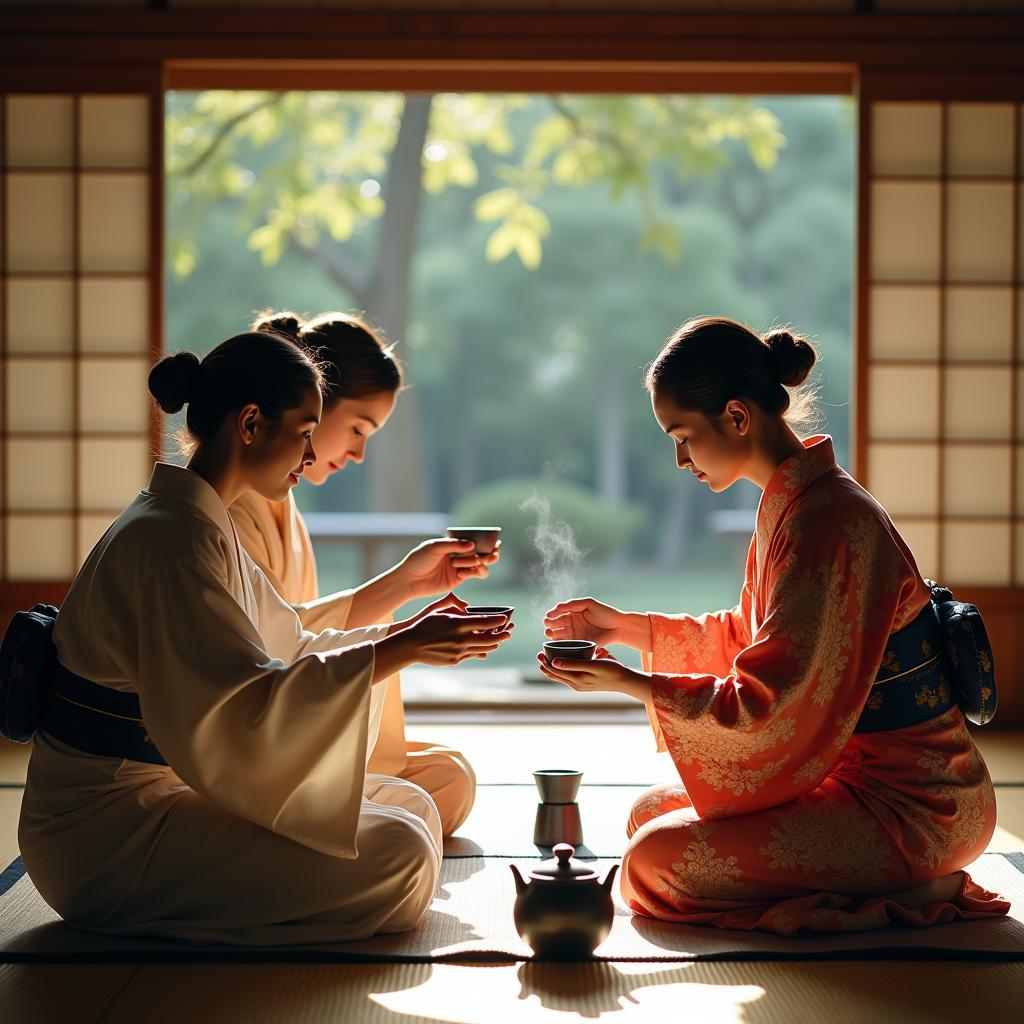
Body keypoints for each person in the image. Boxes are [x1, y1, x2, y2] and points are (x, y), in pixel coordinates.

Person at [17, 330, 510, 945]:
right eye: (305, 433)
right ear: (250, 424)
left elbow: (290, 642)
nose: (310, 457)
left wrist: (404, 636)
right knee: (402, 852)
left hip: (168, 788)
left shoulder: (198, 523)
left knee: (414, 807)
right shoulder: (173, 541)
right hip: (109, 831)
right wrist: (397, 650)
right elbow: (239, 707)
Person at [539, 316, 1008, 934]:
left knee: (651, 866)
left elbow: (771, 699)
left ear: (736, 417)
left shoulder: (828, 520)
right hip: (848, 778)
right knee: (646, 815)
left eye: (682, 435)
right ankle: (891, 887)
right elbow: (750, 639)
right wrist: (629, 628)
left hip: (915, 805)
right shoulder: (795, 503)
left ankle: (915, 889)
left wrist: (629, 684)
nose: (679, 458)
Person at [229, 311, 489, 837]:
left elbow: (299, 633)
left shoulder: (283, 503)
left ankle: (365, 803)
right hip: (251, 735)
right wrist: (403, 625)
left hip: (294, 715)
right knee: (415, 815)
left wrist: (410, 588)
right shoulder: (232, 509)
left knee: (452, 774)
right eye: (357, 429)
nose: (359, 452)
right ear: (313, 402)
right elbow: (272, 647)